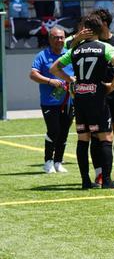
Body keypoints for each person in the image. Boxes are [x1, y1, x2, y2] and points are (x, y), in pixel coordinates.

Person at [50, 14, 114, 190]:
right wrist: (112, 85)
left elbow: (54, 68)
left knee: (83, 139)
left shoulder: (75, 50)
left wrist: (71, 80)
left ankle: (85, 180)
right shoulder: (105, 47)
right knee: (106, 137)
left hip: (80, 98)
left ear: (86, 29)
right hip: (97, 98)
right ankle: (106, 180)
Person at [30, 27, 74, 174]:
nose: (59, 40)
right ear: (50, 39)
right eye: (56, 37)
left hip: (69, 101)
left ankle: (58, 162)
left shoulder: (69, 55)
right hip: (50, 101)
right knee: (53, 130)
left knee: (64, 132)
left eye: (62, 37)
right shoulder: (42, 56)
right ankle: (48, 161)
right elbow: (33, 75)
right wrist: (50, 81)